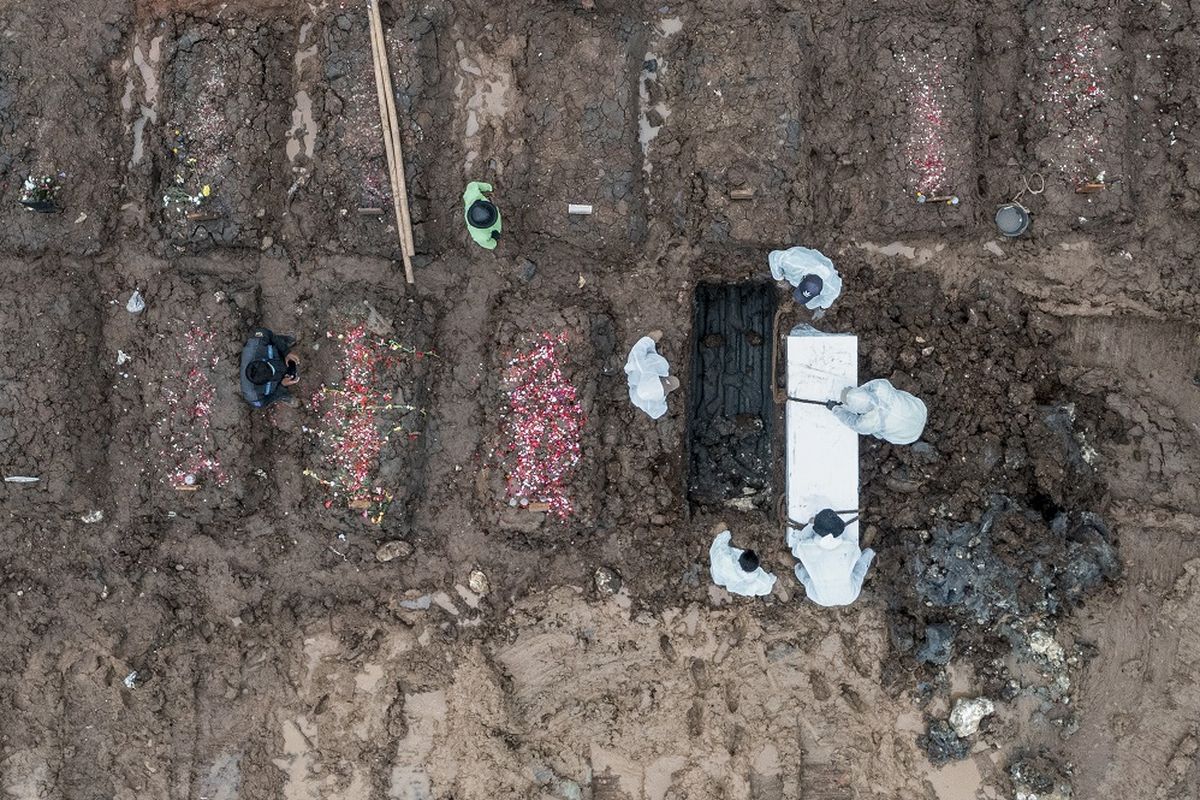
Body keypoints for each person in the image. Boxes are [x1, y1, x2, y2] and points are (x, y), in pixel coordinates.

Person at [788, 509, 875, 607]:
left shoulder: (805, 547)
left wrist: (809, 525)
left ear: (816, 530)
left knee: (803, 574)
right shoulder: (850, 546)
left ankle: (797, 567)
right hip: (848, 596)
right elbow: (857, 555)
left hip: (821, 598)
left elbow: (795, 551)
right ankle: (871, 552)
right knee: (860, 567)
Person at [831, 378, 927, 445]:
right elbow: (869, 385)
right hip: (919, 410)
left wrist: (836, 409)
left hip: (908, 435)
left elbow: (853, 422)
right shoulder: (881, 387)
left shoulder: (870, 422)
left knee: (878, 433)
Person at [624, 331, 679, 419]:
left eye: (663, 381)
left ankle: (655, 349)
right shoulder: (651, 402)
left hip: (643, 369)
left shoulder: (641, 365)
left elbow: (639, 349)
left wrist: (650, 339)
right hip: (645, 374)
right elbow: (657, 413)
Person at [240, 328, 300, 408]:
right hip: (277, 384)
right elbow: (264, 403)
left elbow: (268, 334)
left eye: (271, 367)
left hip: (277, 356)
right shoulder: (252, 395)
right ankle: (283, 395)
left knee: (276, 341)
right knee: (277, 393)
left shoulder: (256, 344)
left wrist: (286, 352)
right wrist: (281, 386)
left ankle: (285, 341)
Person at [768, 246, 842, 310]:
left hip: (818, 270)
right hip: (801, 263)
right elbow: (774, 256)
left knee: (810, 306)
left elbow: (827, 300)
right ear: (803, 278)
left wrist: (822, 309)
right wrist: (780, 280)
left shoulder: (832, 288)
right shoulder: (792, 262)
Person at [710, 529, 776, 597]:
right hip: (727, 580)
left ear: (740, 558)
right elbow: (768, 586)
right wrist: (772, 576)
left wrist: (727, 533)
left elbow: (720, 544)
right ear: (757, 566)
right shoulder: (759, 581)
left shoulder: (725, 560)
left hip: (719, 576)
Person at [463, 180, 502, 249]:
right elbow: (490, 245)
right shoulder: (480, 236)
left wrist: (488, 187)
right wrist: (494, 242)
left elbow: (473, 184)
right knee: (497, 229)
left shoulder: (472, 195)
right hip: (489, 228)